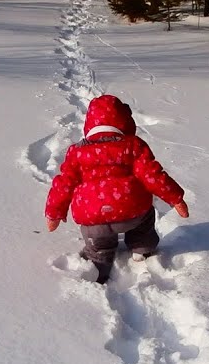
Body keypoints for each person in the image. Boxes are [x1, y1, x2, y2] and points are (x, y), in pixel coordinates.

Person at [44, 95, 189, 284]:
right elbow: (153, 175)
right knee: (145, 217)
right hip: (132, 213)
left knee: (98, 245)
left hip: (94, 219)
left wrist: (54, 213)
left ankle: (98, 264)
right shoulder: (133, 145)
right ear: (125, 121)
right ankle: (142, 249)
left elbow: (63, 183)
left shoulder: (76, 152)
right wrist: (175, 198)